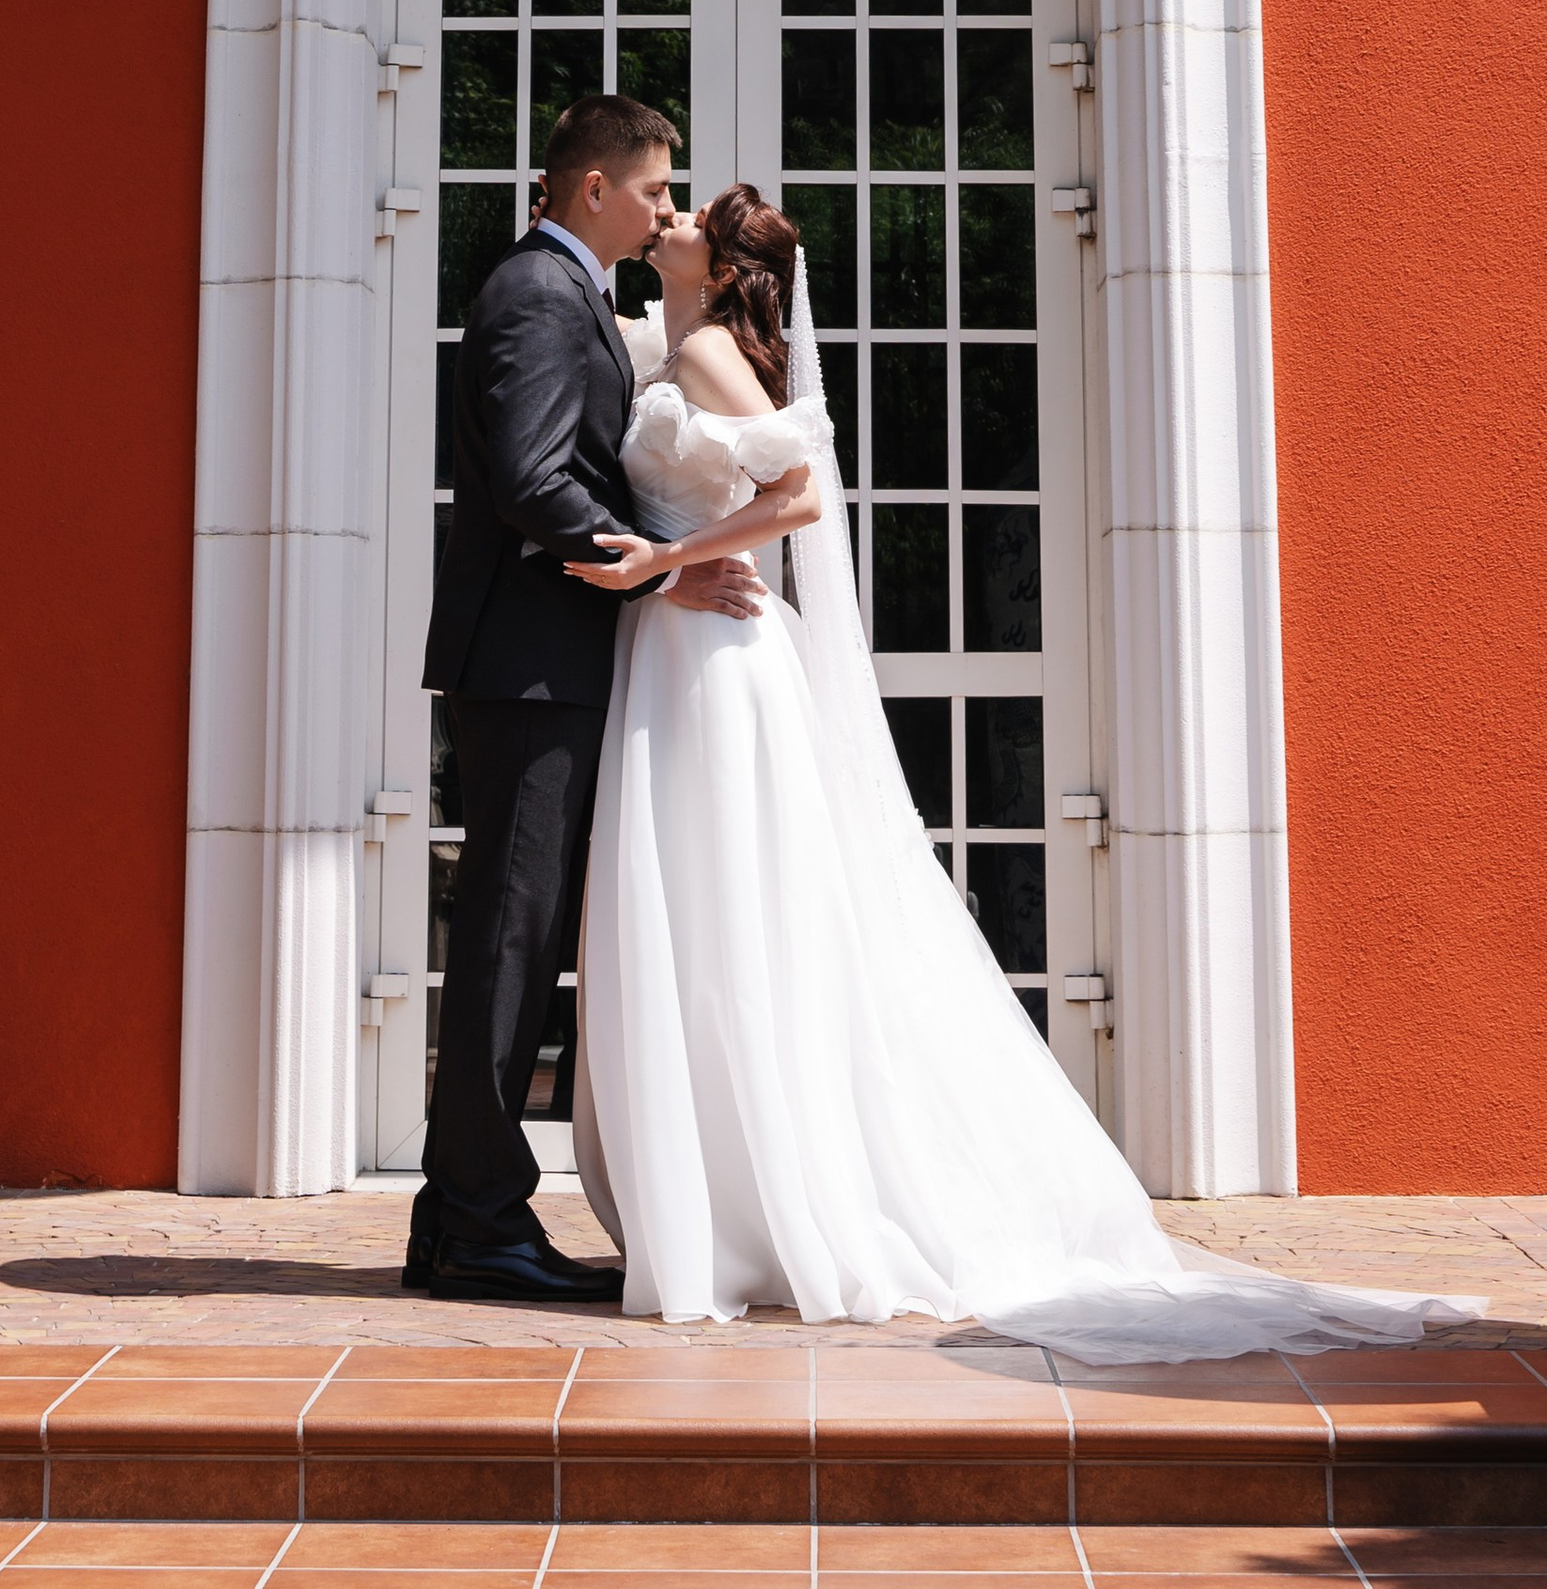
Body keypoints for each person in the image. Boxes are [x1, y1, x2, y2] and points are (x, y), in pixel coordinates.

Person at [561, 184, 1479, 1356]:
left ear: (721, 260)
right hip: (682, 643)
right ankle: (725, 1194)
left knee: (726, 908)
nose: (669, 213)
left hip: (710, 644)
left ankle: (753, 1201)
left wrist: (671, 556)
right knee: (705, 908)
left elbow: (796, 494)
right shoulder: (663, 340)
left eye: (690, 211)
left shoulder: (700, 354)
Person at [407, 93, 764, 1307]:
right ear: (595, 188)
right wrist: (653, 561)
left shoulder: (566, 294)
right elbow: (528, 475)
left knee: (521, 941)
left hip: (548, 659)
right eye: (657, 189)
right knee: (510, 944)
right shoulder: (536, 289)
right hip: (528, 660)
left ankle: (456, 1219)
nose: (669, 208)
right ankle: (477, 1225)